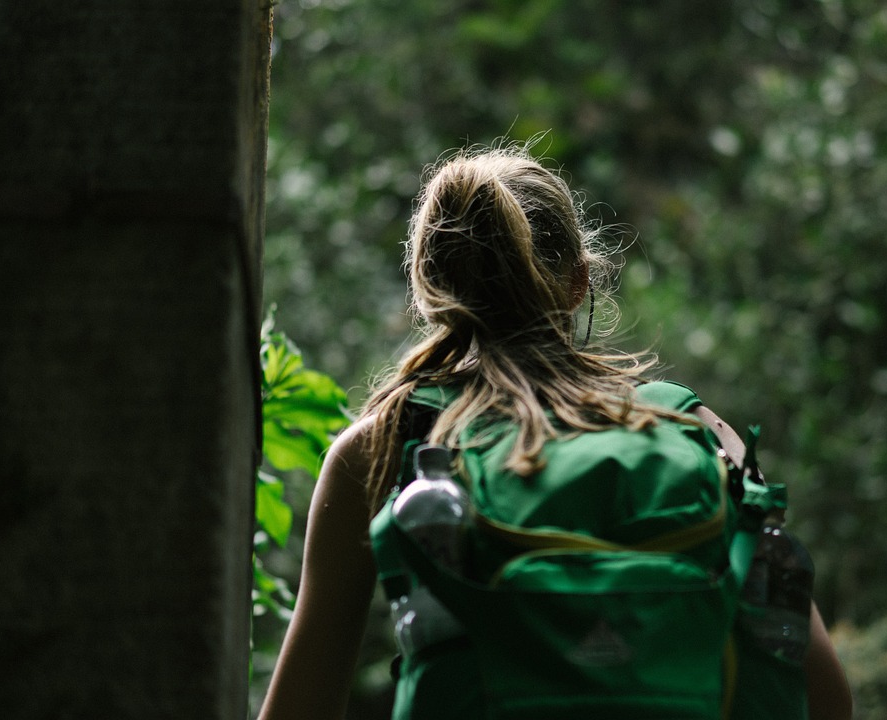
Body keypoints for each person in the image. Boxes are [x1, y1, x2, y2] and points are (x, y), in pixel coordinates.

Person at [257, 144, 852, 720]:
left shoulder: (385, 442)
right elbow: (825, 693)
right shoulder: (690, 426)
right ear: (579, 282)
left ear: (428, 291)